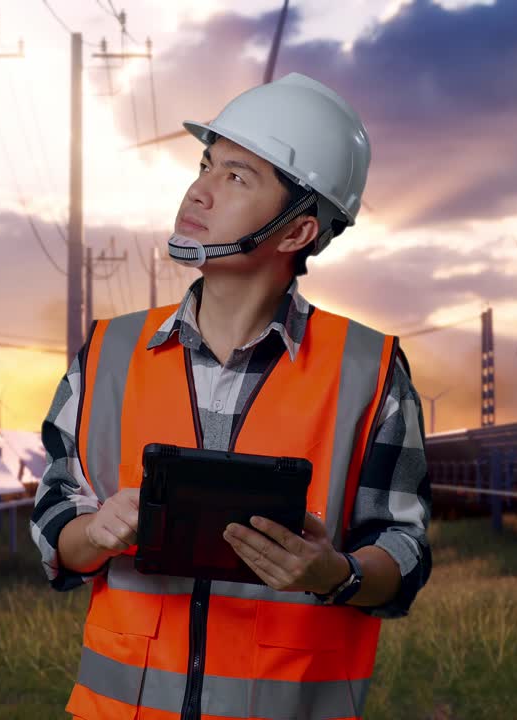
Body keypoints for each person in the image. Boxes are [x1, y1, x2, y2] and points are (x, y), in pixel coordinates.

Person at [31, 72, 432, 720]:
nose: (199, 190)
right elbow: (55, 530)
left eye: (237, 178)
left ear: (298, 232)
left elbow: (403, 554)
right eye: (207, 164)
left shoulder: (369, 370)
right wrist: (95, 533)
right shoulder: (107, 354)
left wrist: (332, 573)